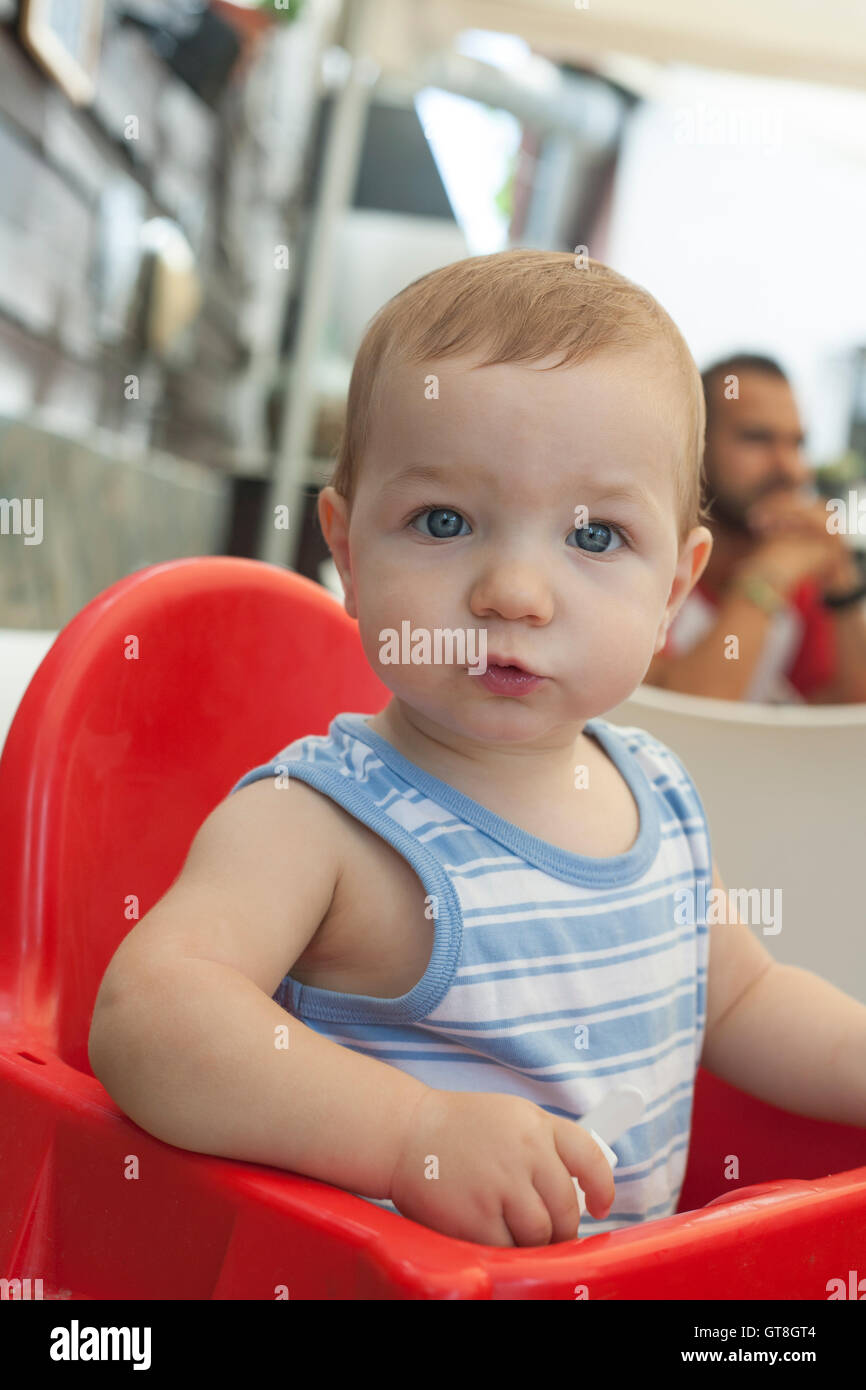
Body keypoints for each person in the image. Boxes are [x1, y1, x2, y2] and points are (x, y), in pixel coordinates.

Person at [87, 251, 866, 1247]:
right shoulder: (318, 818)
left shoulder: (658, 795)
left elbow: (746, 1000)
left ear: (674, 584)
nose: (513, 591)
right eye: (443, 520)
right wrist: (409, 1132)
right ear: (350, 551)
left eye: (592, 536)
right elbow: (146, 1015)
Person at [645, 353, 866, 703]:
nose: (791, 469)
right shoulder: (642, 558)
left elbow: (849, 718)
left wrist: (842, 582)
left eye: (797, 444)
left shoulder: (798, 570)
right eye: (757, 438)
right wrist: (765, 578)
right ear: (693, 444)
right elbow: (690, 719)